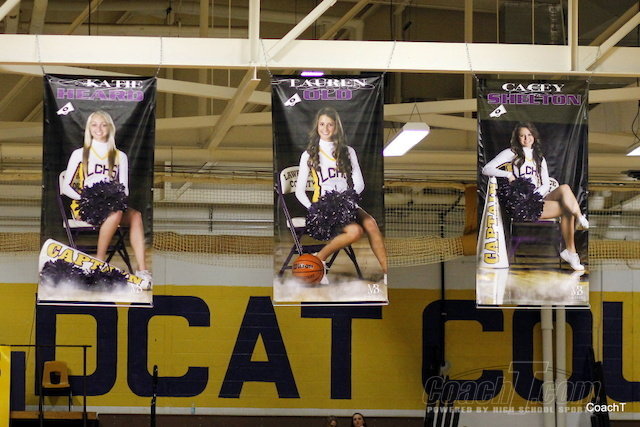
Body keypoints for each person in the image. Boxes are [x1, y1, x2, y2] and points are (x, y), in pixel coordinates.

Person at [294, 107, 387, 283]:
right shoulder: (309, 154)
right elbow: (299, 191)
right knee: (355, 231)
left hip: (346, 203)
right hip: (323, 207)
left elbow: (359, 184)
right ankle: (319, 259)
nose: (326, 128)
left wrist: (347, 201)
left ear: (336, 127)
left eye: (330, 124)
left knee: (371, 223)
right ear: (317, 126)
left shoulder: (348, 151)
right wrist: (313, 209)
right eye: (322, 124)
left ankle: (386, 273)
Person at [60, 110, 152, 288]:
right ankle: (99, 262)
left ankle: (142, 271)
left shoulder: (119, 156)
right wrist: (87, 197)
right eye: (94, 125)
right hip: (85, 205)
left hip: (111, 205)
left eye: (103, 125)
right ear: (89, 128)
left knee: (136, 216)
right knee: (115, 213)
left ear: (110, 128)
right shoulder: (80, 153)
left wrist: (114, 198)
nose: (99, 129)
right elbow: (66, 187)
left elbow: (124, 188)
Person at [481, 122, 589, 271]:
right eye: (522, 136)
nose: (526, 139)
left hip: (536, 198)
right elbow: (486, 169)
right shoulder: (511, 153)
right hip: (521, 202)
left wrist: (536, 195)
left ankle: (578, 220)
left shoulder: (539, 158)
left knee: (564, 188)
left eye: (529, 135)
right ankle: (572, 248)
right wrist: (508, 174)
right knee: (566, 209)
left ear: (534, 136)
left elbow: (546, 184)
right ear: (517, 138)